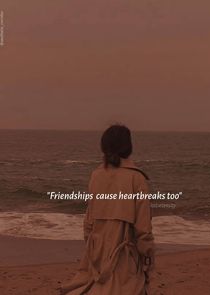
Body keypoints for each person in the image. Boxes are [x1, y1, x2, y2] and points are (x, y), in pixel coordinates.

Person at [60, 124, 155, 295]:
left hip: (97, 252)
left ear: (103, 147)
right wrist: (147, 256)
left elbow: (89, 222)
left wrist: (92, 249)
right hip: (125, 255)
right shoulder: (136, 178)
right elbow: (143, 228)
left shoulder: (97, 175)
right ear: (129, 148)